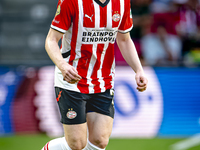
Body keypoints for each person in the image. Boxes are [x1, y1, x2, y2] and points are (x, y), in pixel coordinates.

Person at [41, 0, 148, 149]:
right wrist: (62, 65)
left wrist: (138, 70)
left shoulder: (122, 3)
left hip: (103, 80)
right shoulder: (71, 2)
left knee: (100, 140)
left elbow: (124, 39)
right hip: (72, 80)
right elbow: (51, 39)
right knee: (76, 144)